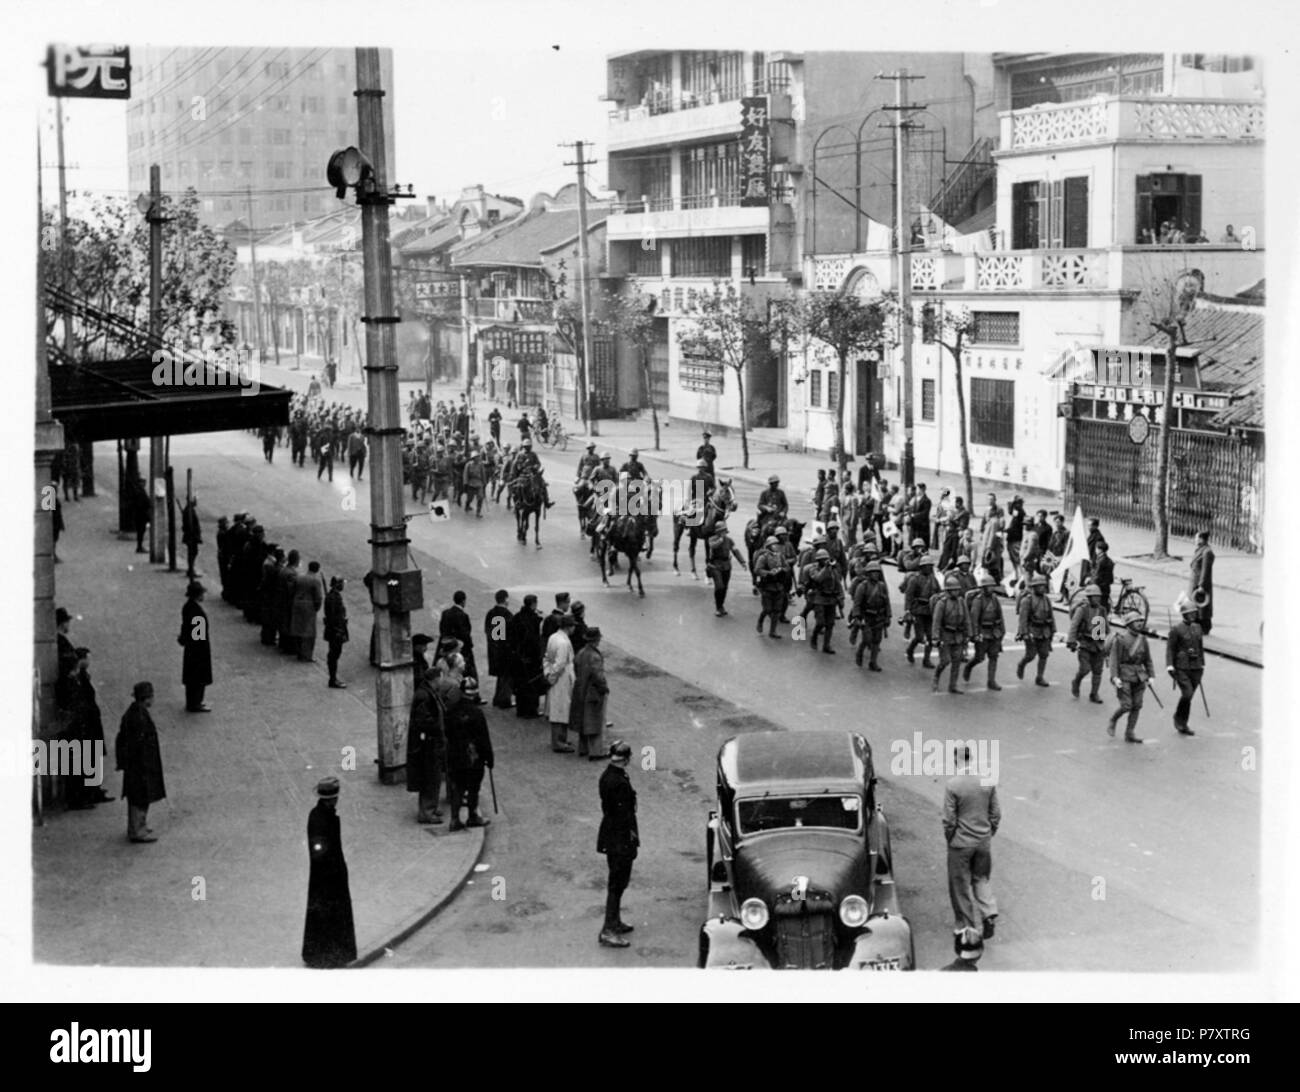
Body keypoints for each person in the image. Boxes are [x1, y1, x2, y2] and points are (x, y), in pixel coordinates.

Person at [943, 745, 1000, 952]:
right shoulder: (986, 780)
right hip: (983, 842)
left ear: (956, 760)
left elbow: (949, 820)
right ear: (972, 758)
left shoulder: (953, 785)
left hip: (961, 844)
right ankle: (989, 912)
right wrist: (987, 834)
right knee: (981, 878)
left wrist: (951, 838)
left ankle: (966, 928)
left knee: (959, 886)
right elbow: (995, 814)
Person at [302, 776, 357, 968]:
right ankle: (329, 955)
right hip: (328, 875)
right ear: (332, 798)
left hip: (325, 874)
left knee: (323, 915)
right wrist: (334, 870)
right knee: (330, 915)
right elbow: (321, 848)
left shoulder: (318, 814)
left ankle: (322, 954)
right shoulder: (322, 819)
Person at [596, 739, 639, 948]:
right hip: (619, 839)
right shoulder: (619, 782)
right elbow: (625, 815)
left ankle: (614, 922)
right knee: (617, 883)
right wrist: (631, 841)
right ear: (627, 759)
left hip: (612, 835)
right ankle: (608, 930)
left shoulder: (609, 775)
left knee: (618, 883)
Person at [63, 647, 113, 809]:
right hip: (82, 727)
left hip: (89, 724)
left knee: (92, 757)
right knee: (83, 762)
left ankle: (93, 791)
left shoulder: (80, 678)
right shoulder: (72, 682)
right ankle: (84, 796)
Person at [115, 681, 165, 843]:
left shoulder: (134, 713)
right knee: (140, 797)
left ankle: (138, 826)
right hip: (140, 766)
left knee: (139, 796)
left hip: (136, 765)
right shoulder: (139, 717)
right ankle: (137, 830)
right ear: (147, 698)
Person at [443, 677, 495, 831]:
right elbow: (483, 738)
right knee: (473, 788)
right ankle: (473, 816)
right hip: (473, 758)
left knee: (458, 787)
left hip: (455, 756)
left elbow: (447, 732)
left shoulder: (452, 711)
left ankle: (454, 818)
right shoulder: (476, 713)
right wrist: (489, 758)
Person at [407, 663, 446, 824]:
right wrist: (437, 728)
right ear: (435, 679)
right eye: (440, 678)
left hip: (432, 741)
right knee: (430, 776)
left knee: (435, 776)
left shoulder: (429, 692)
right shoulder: (424, 695)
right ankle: (427, 811)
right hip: (427, 744)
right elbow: (424, 721)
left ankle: (432, 805)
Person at [1108, 611, 1154, 743]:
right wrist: (1115, 677)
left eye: (1141, 621)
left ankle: (1130, 732)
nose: (1140, 623)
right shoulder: (1120, 639)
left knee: (1137, 705)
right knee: (1126, 705)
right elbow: (1114, 659)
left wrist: (1151, 676)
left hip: (1140, 676)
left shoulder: (1143, 640)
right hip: (1124, 675)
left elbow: (1148, 660)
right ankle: (1113, 719)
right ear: (1129, 624)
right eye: (1136, 621)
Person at [1166, 598, 1205, 737]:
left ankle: (1182, 721)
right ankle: (1179, 720)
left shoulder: (1197, 628)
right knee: (1187, 693)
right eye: (1190, 613)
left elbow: (1200, 647)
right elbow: (1170, 649)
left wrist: (1202, 664)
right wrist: (1170, 665)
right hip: (1181, 667)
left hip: (1196, 667)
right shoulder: (1176, 629)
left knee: (1189, 697)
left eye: (1194, 613)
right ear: (1184, 615)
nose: (1193, 615)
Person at [571, 627, 610, 760]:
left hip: (580, 690)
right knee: (595, 721)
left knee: (583, 720)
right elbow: (598, 676)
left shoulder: (581, 653)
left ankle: (583, 748)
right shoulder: (594, 656)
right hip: (592, 692)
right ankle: (596, 751)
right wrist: (604, 687)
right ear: (596, 640)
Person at [1067, 584, 1109, 704]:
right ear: (1089, 598)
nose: (1097, 599)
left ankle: (1094, 694)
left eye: (1098, 597)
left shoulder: (1102, 610)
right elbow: (1074, 625)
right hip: (1085, 643)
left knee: (1098, 671)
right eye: (1094, 597)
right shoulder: (1082, 610)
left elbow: (1106, 627)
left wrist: (1110, 641)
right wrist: (1071, 641)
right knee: (1085, 669)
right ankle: (1076, 681)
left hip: (1098, 643)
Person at [963, 574, 1005, 690]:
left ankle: (991, 681)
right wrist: (975, 635)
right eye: (988, 586)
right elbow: (974, 619)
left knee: (994, 656)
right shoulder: (978, 601)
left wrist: (1002, 631)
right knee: (979, 657)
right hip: (982, 632)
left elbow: (1000, 616)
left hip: (994, 632)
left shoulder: (995, 599)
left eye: (992, 586)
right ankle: (969, 666)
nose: (991, 588)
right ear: (983, 588)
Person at [932, 574, 972, 694]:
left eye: (957, 589)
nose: (957, 591)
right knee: (945, 661)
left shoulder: (961, 601)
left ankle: (952, 685)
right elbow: (936, 622)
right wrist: (935, 637)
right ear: (948, 590)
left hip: (958, 635)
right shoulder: (942, 603)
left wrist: (969, 633)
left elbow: (966, 618)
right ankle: (936, 678)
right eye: (954, 590)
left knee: (957, 661)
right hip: (945, 634)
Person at [543, 614, 577, 752]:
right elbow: (560, 663)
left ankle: (561, 739)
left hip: (556, 676)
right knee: (560, 709)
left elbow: (547, 657)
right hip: (561, 679)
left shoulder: (553, 637)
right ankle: (558, 742)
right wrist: (553, 677)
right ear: (569, 627)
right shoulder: (564, 642)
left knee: (560, 708)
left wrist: (547, 673)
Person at [178, 580, 213, 713]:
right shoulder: (197, 612)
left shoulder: (187, 607)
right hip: (198, 651)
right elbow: (198, 636)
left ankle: (192, 701)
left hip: (190, 649)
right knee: (198, 678)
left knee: (191, 678)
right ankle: (195, 703)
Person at [1016, 573, 1056, 686]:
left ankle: (1040, 677)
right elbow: (1023, 619)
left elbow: (1051, 616)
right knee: (1031, 655)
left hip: (1045, 630)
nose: (1043, 588)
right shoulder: (1027, 600)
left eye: (1044, 586)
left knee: (1044, 654)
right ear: (1034, 587)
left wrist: (1053, 629)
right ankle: (1022, 664)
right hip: (1032, 630)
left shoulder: (1046, 599)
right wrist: (1024, 633)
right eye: (1040, 586)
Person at [509, 594, 545, 719]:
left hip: (518, 657)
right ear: (534, 604)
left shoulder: (516, 617)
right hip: (531, 657)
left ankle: (521, 709)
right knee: (532, 684)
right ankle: (531, 710)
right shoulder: (534, 619)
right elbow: (535, 640)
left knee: (520, 683)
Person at [852, 560, 891, 671]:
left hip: (878, 617)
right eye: (873, 572)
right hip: (867, 617)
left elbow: (887, 602)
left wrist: (888, 616)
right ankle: (797, 631)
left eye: (877, 572)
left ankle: (873, 662)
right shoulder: (862, 586)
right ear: (868, 573)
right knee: (867, 639)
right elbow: (857, 603)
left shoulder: (882, 586)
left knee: (876, 640)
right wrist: (857, 617)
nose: (876, 574)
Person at [903, 554, 940, 667]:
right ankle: (910, 649)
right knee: (919, 637)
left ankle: (926, 659)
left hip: (929, 610)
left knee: (929, 636)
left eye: (930, 566)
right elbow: (909, 596)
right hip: (918, 609)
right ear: (921, 567)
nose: (929, 568)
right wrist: (908, 611)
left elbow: (939, 593)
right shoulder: (915, 579)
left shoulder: (933, 579)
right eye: (926, 566)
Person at [805, 548, 843, 654]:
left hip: (831, 599)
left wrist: (841, 598)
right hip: (819, 598)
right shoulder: (814, 569)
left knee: (830, 624)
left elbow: (838, 583)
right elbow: (818, 578)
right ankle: (814, 636)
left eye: (826, 559)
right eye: (823, 559)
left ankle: (826, 645)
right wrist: (826, 568)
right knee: (820, 622)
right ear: (818, 560)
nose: (825, 561)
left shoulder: (833, 570)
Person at [705, 519, 747, 617]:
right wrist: (720, 540)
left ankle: (721, 605)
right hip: (715, 565)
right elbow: (713, 546)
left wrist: (742, 562)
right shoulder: (712, 539)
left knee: (725, 587)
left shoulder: (729, 541)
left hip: (726, 565)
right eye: (721, 531)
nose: (723, 532)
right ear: (718, 531)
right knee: (719, 586)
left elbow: (735, 551)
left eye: (724, 530)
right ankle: (718, 607)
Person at [440, 590, 479, 689]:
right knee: (468, 671)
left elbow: (442, 629)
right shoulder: (463, 615)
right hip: (461, 648)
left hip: (447, 646)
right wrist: (469, 645)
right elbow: (465, 634)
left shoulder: (445, 613)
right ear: (463, 601)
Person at [484, 589, 514, 709]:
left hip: (493, 648)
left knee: (500, 675)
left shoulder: (491, 613)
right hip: (504, 649)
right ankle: (504, 700)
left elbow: (488, 630)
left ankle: (497, 697)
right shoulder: (506, 614)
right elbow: (508, 634)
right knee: (506, 676)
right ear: (505, 599)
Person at [292, 560, 326, 663]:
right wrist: (316, 608)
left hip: (297, 604)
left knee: (298, 628)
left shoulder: (300, 577)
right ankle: (306, 655)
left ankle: (298, 652)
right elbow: (318, 597)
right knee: (309, 633)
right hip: (308, 607)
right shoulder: (315, 581)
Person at [753, 536, 787, 639]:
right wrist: (769, 573)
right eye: (773, 544)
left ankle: (773, 631)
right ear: (768, 546)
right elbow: (757, 570)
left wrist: (782, 569)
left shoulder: (780, 556)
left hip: (779, 586)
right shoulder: (763, 557)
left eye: (777, 544)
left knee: (777, 610)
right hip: (767, 586)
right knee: (767, 609)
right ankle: (760, 620)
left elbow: (787, 567)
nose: (776, 546)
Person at [324, 576, 349, 689]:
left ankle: (333, 678)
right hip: (335, 631)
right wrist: (338, 630)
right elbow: (334, 616)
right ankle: (332, 679)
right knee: (334, 655)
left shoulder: (333, 596)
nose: (343, 585)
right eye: (342, 583)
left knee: (334, 654)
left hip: (335, 630)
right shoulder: (334, 598)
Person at [1189, 530, 1215, 635]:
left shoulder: (1207, 552)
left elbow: (1205, 570)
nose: (1195, 540)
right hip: (1194, 582)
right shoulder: (1200, 550)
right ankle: (1196, 625)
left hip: (1200, 584)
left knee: (1202, 607)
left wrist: (1202, 585)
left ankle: (1204, 628)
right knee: (1196, 606)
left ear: (1201, 539)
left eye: (1196, 538)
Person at [180, 494, 202, 579]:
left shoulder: (189, 510)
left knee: (193, 552)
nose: (196, 502)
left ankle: (191, 569)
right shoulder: (189, 511)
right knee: (192, 552)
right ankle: (190, 569)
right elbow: (189, 525)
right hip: (191, 536)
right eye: (195, 500)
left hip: (191, 535)